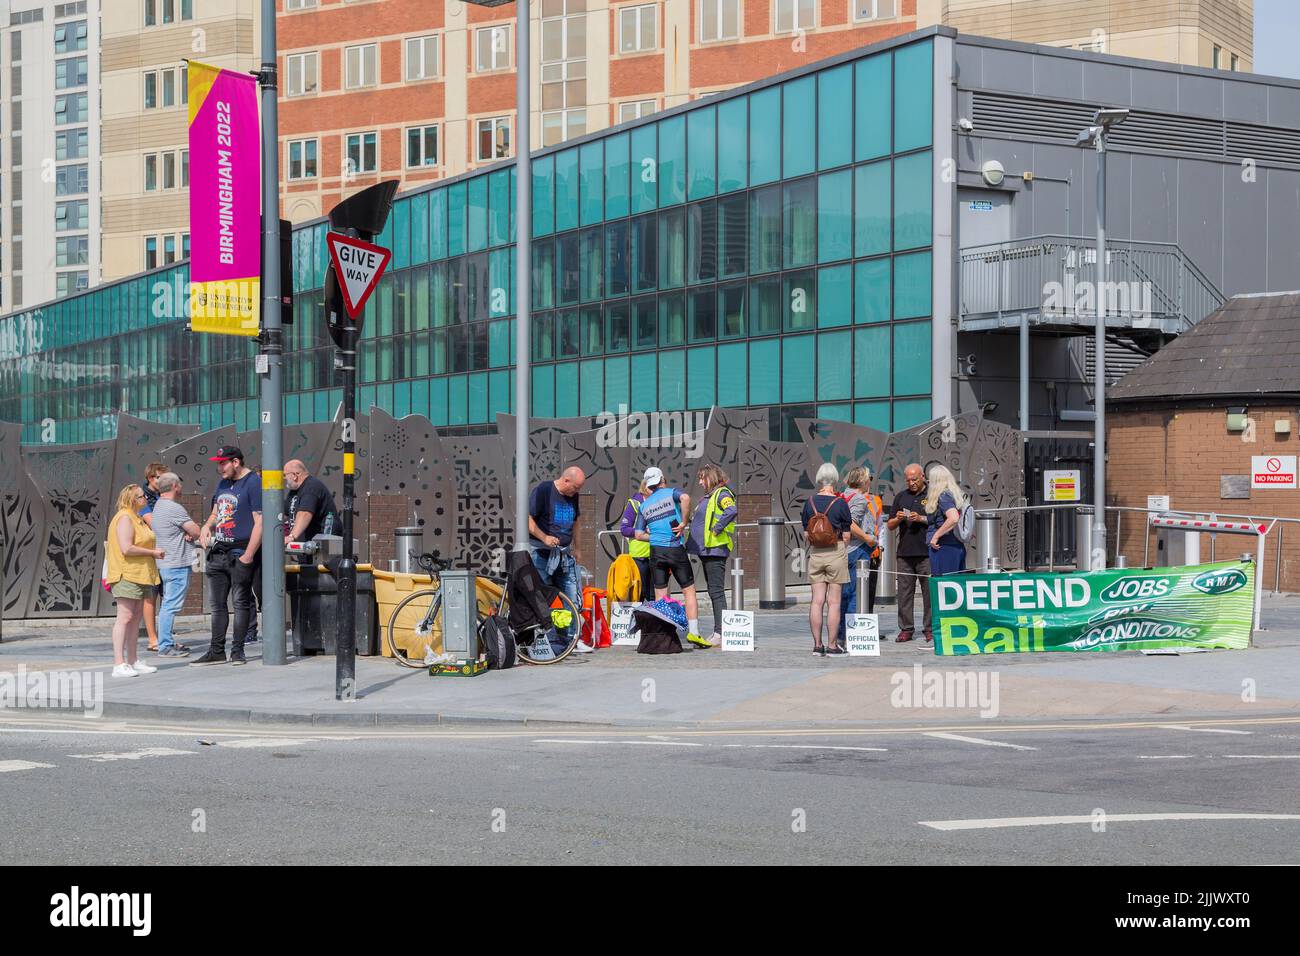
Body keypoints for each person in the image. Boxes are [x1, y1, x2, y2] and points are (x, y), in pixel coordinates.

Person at [192, 446, 263, 666]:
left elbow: (260, 521)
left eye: (223, 463)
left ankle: (238, 651)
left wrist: (249, 555)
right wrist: (206, 526)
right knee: (217, 605)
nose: (219, 467)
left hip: (240, 551)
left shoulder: (253, 482)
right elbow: (216, 511)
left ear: (236, 462)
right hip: (219, 551)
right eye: (218, 463)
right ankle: (216, 651)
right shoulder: (223, 483)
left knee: (240, 602)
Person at [634, 467, 711, 648]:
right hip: (675, 549)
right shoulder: (671, 493)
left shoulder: (644, 505)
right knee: (688, 591)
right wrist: (683, 522)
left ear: (648, 485)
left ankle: (665, 635)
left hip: (656, 552)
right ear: (662, 479)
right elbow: (685, 498)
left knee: (661, 595)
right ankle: (694, 633)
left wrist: (655, 537)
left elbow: (638, 534)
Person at [104, 484, 163, 678]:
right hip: (126, 574)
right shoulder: (124, 518)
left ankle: (132, 660)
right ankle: (119, 664)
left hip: (140, 573)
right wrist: (153, 552)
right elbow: (126, 548)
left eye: (144, 496)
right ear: (131, 499)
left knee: (135, 617)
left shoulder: (136, 518)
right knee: (125, 616)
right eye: (140, 497)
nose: (145, 499)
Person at [528, 465, 587, 653]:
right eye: (576, 487)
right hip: (541, 554)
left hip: (564, 555)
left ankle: (571, 639)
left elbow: (576, 522)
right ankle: (548, 639)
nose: (577, 491)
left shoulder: (573, 496)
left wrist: (578, 548)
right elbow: (527, 519)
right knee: (541, 598)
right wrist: (544, 537)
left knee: (572, 597)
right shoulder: (544, 490)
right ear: (566, 480)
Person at [801, 463, 853, 655]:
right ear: (835, 479)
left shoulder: (810, 502)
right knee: (834, 602)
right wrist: (840, 546)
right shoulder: (840, 503)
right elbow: (847, 536)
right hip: (836, 551)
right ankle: (832, 646)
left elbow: (807, 533)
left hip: (816, 552)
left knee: (816, 601)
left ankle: (817, 645)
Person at [149, 472, 202, 657]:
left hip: (167, 563)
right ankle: (165, 645)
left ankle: (167, 641)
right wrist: (189, 531)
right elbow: (196, 530)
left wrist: (184, 531)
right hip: (177, 563)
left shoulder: (159, 506)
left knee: (168, 604)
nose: (181, 487)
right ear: (174, 486)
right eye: (179, 484)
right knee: (170, 605)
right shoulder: (174, 508)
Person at [687, 463, 737, 645]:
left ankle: (720, 632)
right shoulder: (709, 497)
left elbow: (731, 510)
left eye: (702, 478)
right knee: (713, 590)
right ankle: (719, 631)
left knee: (716, 591)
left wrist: (717, 529)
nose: (700, 482)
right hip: (707, 551)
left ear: (711, 477)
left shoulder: (722, 494)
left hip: (715, 550)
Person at [837, 465, 884, 648]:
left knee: (843, 594)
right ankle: (852, 635)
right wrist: (869, 539)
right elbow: (851, 524)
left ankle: (841, 634)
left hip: (842, 550)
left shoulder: (841, 496)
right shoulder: (859, 499)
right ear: (863, 481)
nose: (870, 482)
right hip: (857, 549)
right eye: (868, 479)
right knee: (856, 594)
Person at [887, 462, 932, 643]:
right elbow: (889, 525)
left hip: (926, 552)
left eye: (914, 479)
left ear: (922, 476)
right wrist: (898, 519)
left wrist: (920, 518)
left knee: (929, 593)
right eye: (908, 480)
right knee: (905, 593)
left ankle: (929, 629)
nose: (911, 483)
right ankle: (906, 629)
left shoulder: (932, 495)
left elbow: (938, 520)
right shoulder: (901, 496)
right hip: (905, 553)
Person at [138, 461, 167, 652]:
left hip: (163, 549)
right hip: (149, 551)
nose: (163, 481)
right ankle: (153, 638)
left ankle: (165, 637)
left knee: (167, 595)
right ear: (151, 478)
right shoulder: (141, 497)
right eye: (160, 477)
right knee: (151, 595)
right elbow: (152, 522)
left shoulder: (162, 496)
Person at [283, 459, 339, 557]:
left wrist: (292, 536)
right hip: (306, 546)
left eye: (285, 475)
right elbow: (284, 512)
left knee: (323, 567)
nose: (284, 478)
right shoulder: (294, 491)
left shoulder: (311, 487)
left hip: (321, 546)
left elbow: (304, 513)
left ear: (295, 475)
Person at [925, 464, 969, 577]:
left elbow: (953, 518)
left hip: (943, 547)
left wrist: (936, 536)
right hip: (955, 545)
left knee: (944, 586)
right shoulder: (955, 494)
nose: (928, 482)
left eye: (930, 479)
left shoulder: (943, 496)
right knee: (955, 584)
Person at [617, 479, 654, 600]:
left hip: (657, 554)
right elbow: (624, 529)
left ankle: (655, 619)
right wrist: (641, 530)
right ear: (644, 487)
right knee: (639, 594)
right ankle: (639, 618)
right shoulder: (634, 503)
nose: (655, 489)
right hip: (639, 557)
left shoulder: (660, 502)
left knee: (655, 595)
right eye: (652, 486)